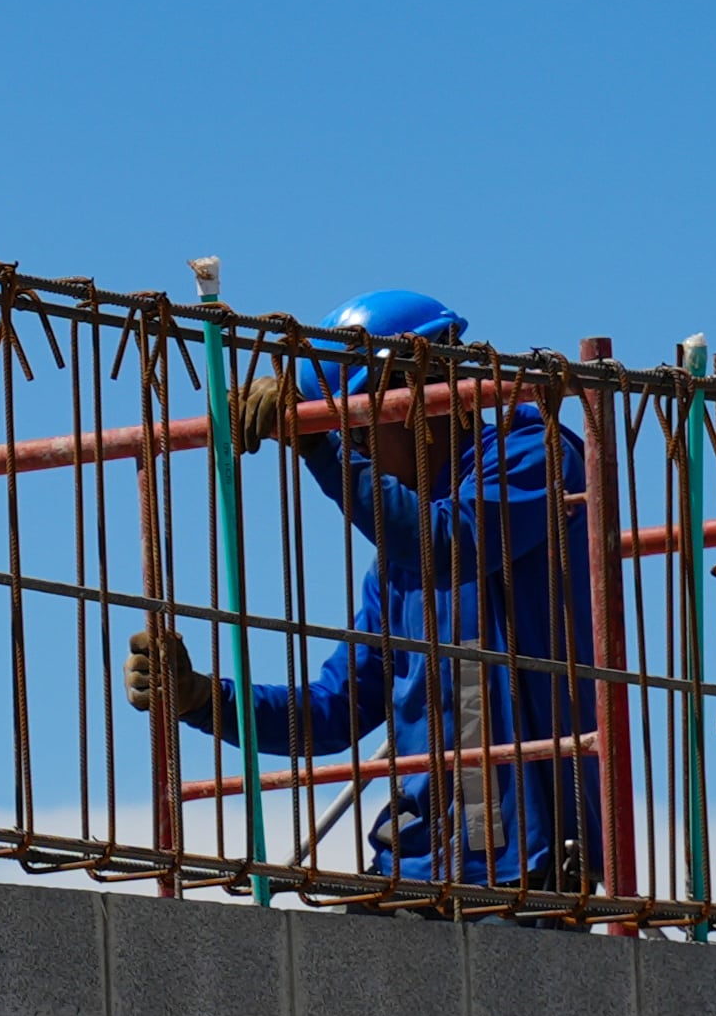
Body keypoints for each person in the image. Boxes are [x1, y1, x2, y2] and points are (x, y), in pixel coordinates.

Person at [125, 288, 597, 896]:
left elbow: (450, 546)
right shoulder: (398, 567)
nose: (356, 452)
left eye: (354, 431)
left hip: (530, 864)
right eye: (345, 439)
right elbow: (334, 712)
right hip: (424, 863)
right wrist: (200, 699)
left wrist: (315, 445)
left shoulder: (533, 455)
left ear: (413, 394)